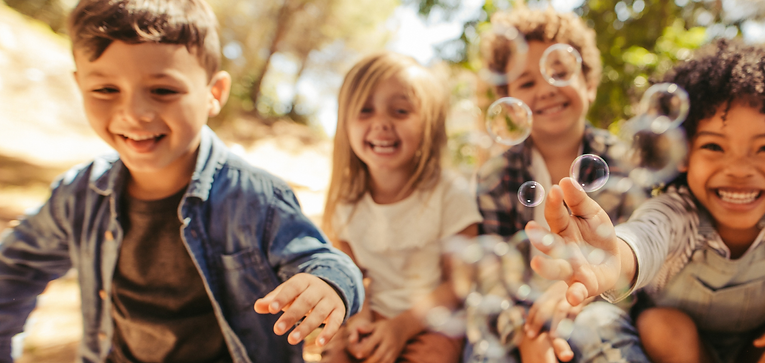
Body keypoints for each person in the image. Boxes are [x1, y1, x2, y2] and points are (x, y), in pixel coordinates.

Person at [0, 1, 364, 362]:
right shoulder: (78, 195)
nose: (133, 113)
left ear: (214, 94)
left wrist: (328, 284)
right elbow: (12, 270)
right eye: (106, 90)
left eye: (163, 91)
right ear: (80, 86)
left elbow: (324, 260)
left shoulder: (256, 198)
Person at [527, 40, 765, 363]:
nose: (739, 169)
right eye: (714, 146)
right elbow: (644, 237)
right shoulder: (677, 211)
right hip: (680, 350)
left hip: (762, 349)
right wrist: (612, 256)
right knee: (663, 324)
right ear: (681, 154)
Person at [473, 7, 650, 363]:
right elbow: (491, 275)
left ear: (589, 83)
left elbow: (634, 260)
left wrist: (576, 298)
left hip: (598, 304)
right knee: (485, 352)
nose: (546, 89)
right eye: (526, 82)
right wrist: (523, 334)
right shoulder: (496, 178)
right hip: (519, 314)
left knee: (601, 331)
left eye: (559, 73)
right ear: (509, 104)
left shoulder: (624, 165)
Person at [318, 52, 483, 363]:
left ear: (430, 125)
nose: (381, 123)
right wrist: (361, 320)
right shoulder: (346, 202)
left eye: (400, 110)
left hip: (433, 322)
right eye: (364, 110)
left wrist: (402, 327)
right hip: (370, 316)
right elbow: (350, 274)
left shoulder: (449, 193)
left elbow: (460, 282)